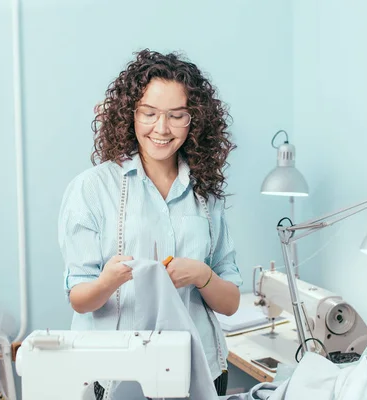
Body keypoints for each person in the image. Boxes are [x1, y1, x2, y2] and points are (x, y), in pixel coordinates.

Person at [58, 49, 243, 398]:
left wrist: (202, 275)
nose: (162, 128)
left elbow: (231, 302)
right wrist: (107, 282)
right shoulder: (92, 189)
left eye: (177, 116)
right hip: (121, 375)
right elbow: (79, 299)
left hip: (199, 367)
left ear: (195, 121)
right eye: (149, 113)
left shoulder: (206, 194)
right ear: (130, 115)